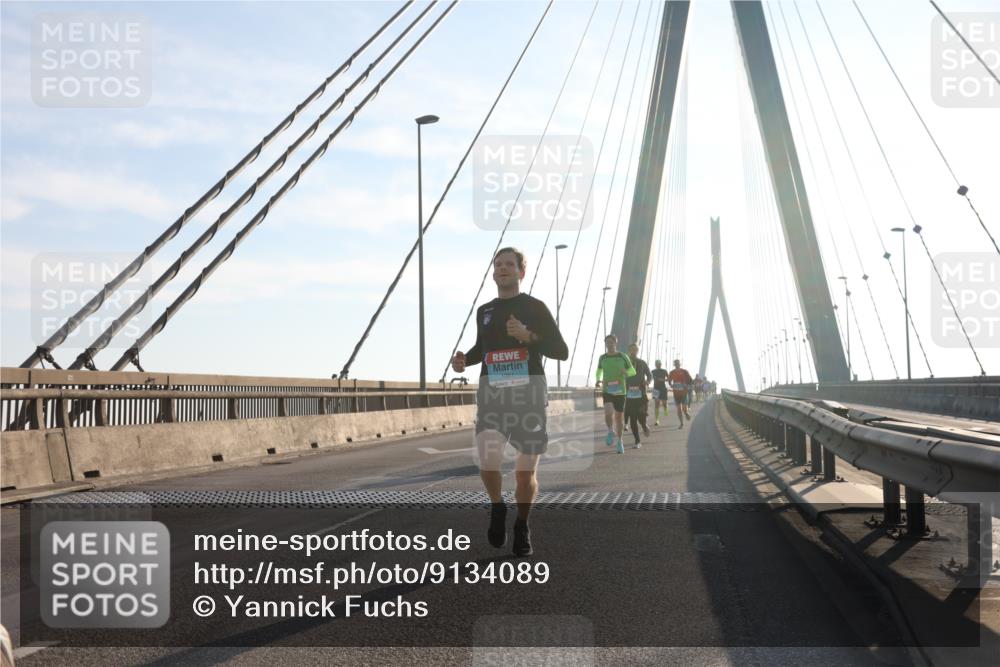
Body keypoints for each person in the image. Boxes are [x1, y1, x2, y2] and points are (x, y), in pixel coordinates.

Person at [451, 247, 567, 557]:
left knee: (524, 474)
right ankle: (498, 506)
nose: (502, 268)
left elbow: (561, 350)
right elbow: (482, 348)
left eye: (509, 264)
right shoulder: (484, 311)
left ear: (521, 272)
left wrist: (529, 337)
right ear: (493, 272)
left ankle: (522, 525)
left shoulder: (535, 307)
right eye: (497, 264)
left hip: (529, 397)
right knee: (488, 461)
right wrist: (465, 361)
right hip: (493, 396)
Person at [595, 334, 635, 454]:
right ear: (605, 344)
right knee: (608, 413)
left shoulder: (623, 356)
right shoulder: (602, 357)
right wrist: (598, 379)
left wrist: (626, 372)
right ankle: (609, 430)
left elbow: (633, 371)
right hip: (607, 390)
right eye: (607, 342)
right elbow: (599, 370)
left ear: (615, 343)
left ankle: (620, 441)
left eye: (611, 342)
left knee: (618, 418)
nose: (609, 344)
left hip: (620, 391)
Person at [625, 343, 651, 448]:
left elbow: (649, 375)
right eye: (631, 349)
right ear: (629, 351)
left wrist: (648, 381)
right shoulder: (625, 363)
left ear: (637, 351)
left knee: (641, 415)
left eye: (635, 350)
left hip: (641, 393)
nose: (633, 351)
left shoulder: (642, 363)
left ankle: (644, 425)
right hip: (629, 394)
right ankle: (637, 441)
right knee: (633, 419)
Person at [667, 359, 693, 428]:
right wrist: (671, 384)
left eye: (678, 363)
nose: (677, 364)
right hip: (676, 393)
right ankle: (681, 423)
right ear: (674, 364)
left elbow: (690, 380)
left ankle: (686, 413)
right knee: (679, 409)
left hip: (684, 392)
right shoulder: (672, 372)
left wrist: (686, 384)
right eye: (675, 363)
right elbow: (669, 380)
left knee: (684, 409)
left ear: (680, 364)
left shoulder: (684, 371)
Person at [651, 359, 669, 425]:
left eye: (659, 364)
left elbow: (669, 378)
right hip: (656, 389)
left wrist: (663, 379)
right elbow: (651, 378)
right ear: (655, 365)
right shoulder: (653, 371)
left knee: (664, 403)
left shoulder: (664, 371)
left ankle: (665, 409)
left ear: (661, 364)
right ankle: (657, 420)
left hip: (663, 388)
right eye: (657, 364)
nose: (658, 365)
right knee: (657, 404)